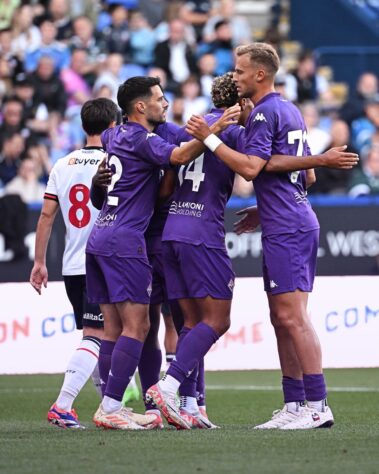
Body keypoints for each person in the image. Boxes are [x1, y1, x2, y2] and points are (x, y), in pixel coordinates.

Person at [184, 42, 359, 430]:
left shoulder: (263, 113)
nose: (235, 77)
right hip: (287, 220)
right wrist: (267, 208)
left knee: (292, 316)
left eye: (240, 70)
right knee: (282, 317)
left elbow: (250, 168)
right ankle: (295, 404)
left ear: (260, 75)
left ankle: (317, 404)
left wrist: (209, 138)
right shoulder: (288, 109)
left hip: (290, 227)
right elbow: (306, 177)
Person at [86, 76, 239, 430]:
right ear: (140, 107)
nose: (165, 103)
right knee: (139, 326)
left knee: (112, 329)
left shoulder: (113, 136)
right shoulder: (144, 141)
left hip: (100, 236)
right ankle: (113, 407)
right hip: (126, 241)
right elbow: (181, 154)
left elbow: (106, 177)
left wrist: (99, 180)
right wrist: (215, 128)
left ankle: (113, 405)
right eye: (159, 98)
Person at [29, 98, 119, 429]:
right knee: (97, 335)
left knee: (99, 333)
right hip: (102, 260)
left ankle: (111, 401)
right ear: (113, 126)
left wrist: (40, 261)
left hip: (71, 264)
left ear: (83, 127)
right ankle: (63, 405)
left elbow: (46, 216)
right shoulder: (114, 161)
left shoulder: (62, 163)